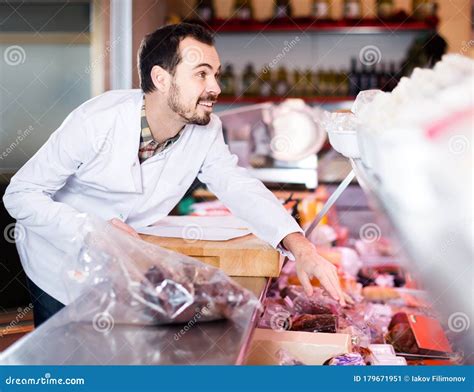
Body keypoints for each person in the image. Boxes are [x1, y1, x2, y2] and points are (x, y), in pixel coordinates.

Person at [3, 23, 350, 327]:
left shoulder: (206, 129)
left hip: (121, 265)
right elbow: (20, 194)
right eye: (201, 74)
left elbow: (236, 185)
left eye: (216, 73)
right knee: (63, 366)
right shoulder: (95, 121)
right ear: (161, 78)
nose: (215, 87)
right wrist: (91, 230)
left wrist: (300, 246)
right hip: (57, 260)